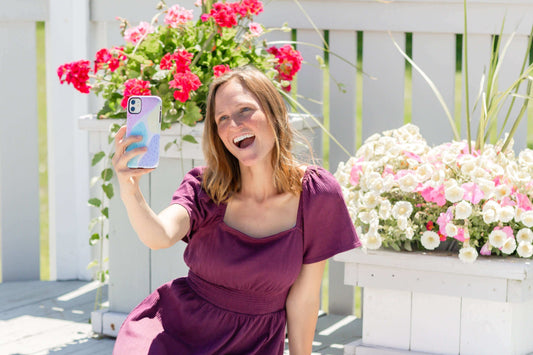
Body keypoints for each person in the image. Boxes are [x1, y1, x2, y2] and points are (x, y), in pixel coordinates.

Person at [111, 66, 360, 354]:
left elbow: (303, 299)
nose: (234, 125)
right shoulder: (206, 187)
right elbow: (160, 236)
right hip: (175, 333)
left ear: (274, 111)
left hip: (256, 344)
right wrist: (130, 189)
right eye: (223, 118)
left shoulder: (316, 193)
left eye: (244, 110)